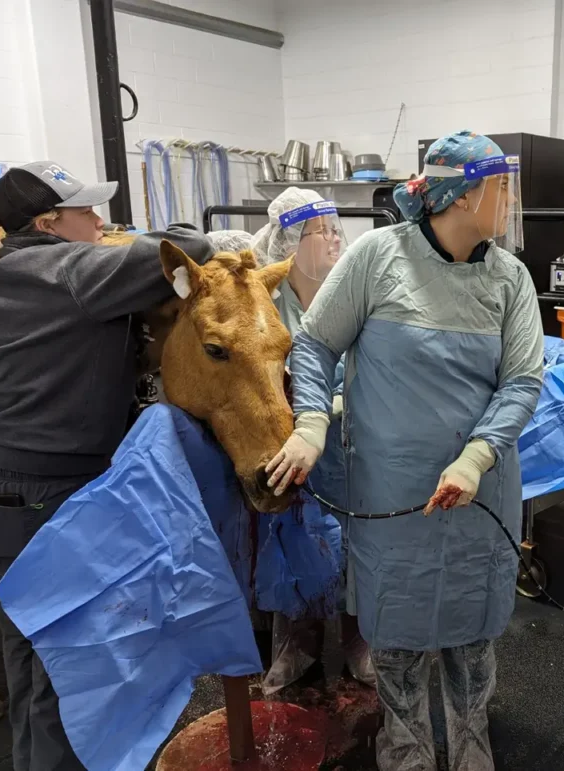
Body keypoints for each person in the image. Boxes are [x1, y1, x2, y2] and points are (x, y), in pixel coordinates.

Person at [266, 131, 543, 770]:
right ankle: (407, 752)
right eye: (501, 187)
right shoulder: (376, 258)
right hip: (393, 494)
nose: (508, 202)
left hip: (479, 489)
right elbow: (313, 345)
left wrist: (476, 457)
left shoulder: (509, 279)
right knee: (398, 630)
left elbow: (524, 380)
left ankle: (472, 746)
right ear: (464, 193)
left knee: (473, 634)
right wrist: (311, 422)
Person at [0, 161, 212, 771]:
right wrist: (133, 241)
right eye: (88, 212)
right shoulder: (67, 270)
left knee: (31, 648)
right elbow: (193, 244)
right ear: (49, 223)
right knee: (71, 668)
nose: (101, 222)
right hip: (42, 493)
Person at [242, 190, 376, 689]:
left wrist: (334, 404)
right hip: (289, 446)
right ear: (292, 241)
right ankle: (298, 641)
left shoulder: (350, 292)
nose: (335, 238)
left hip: (352, 444)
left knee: (355, 542)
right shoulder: (265, 304)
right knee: (293, 544)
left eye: (335, 227)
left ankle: (359, 639)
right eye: (322, 231)